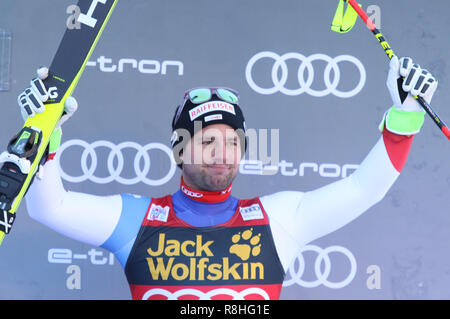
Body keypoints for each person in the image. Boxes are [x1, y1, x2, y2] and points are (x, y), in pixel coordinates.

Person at [18, 56, 437, 300]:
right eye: (207, 140)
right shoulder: (137, 219)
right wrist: (44, 136)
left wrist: (404, 116)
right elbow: (48, 206)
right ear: (180, 149)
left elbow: (366, 187)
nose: (223, 152)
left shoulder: (278, 218)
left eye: (233, 140)